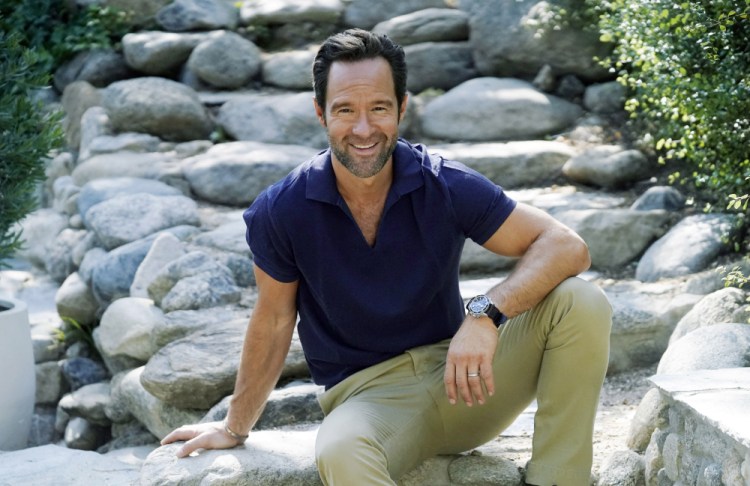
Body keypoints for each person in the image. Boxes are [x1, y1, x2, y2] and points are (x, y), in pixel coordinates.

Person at [161, 28, 612, 486]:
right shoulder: (282, 211)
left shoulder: (444, 183)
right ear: (321, 113)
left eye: (378, 108)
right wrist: (235, 425)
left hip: (466, 382)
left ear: (401, 107)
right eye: (344, 110)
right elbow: (275, 321)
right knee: (340, 452)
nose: (363, 129)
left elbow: (566, 245)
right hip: (367, 398)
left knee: (579, 301)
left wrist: (485, 315)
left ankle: (559, 479)